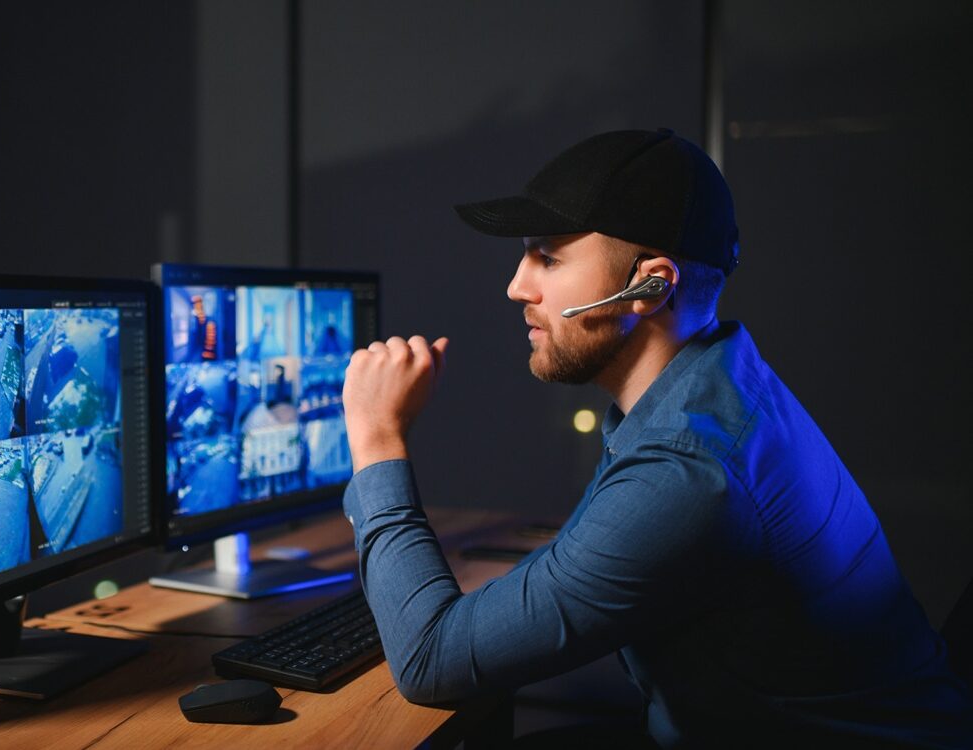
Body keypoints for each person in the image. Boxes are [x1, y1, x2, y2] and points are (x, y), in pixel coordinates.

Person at [340, 128, 973, 746]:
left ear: (651, 285)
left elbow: (430, 662)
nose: (517, 286)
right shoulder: (708, 386)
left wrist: (376, 436)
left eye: (550, 258)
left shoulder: (689, 470)